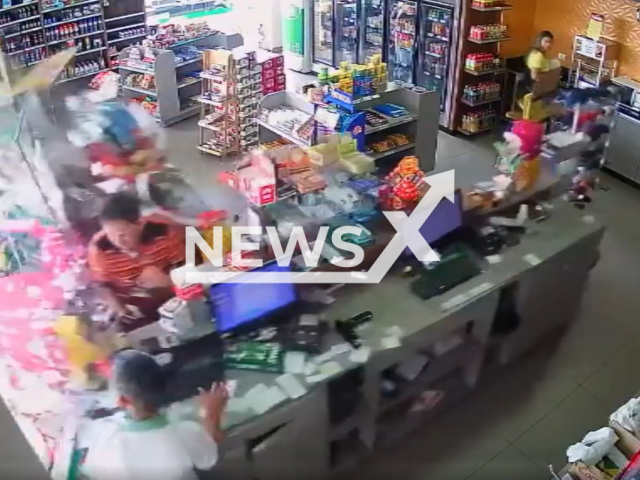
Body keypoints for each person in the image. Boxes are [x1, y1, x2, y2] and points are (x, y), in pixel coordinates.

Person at [83, 349, 228, 480]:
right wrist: (212, 414)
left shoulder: (106, 439)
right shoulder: (184, 432)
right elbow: (208, 458)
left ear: (121, 400)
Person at [88, 192, 186, 332]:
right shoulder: (99, 248)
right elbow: (101, 284)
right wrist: (114, 303)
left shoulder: (165, 233)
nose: (118, 241)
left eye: (123, 235)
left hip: (175, 300)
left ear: (140, 223)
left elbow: (186, 268)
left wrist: (169, 282)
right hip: (134, 309)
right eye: (110, 234)